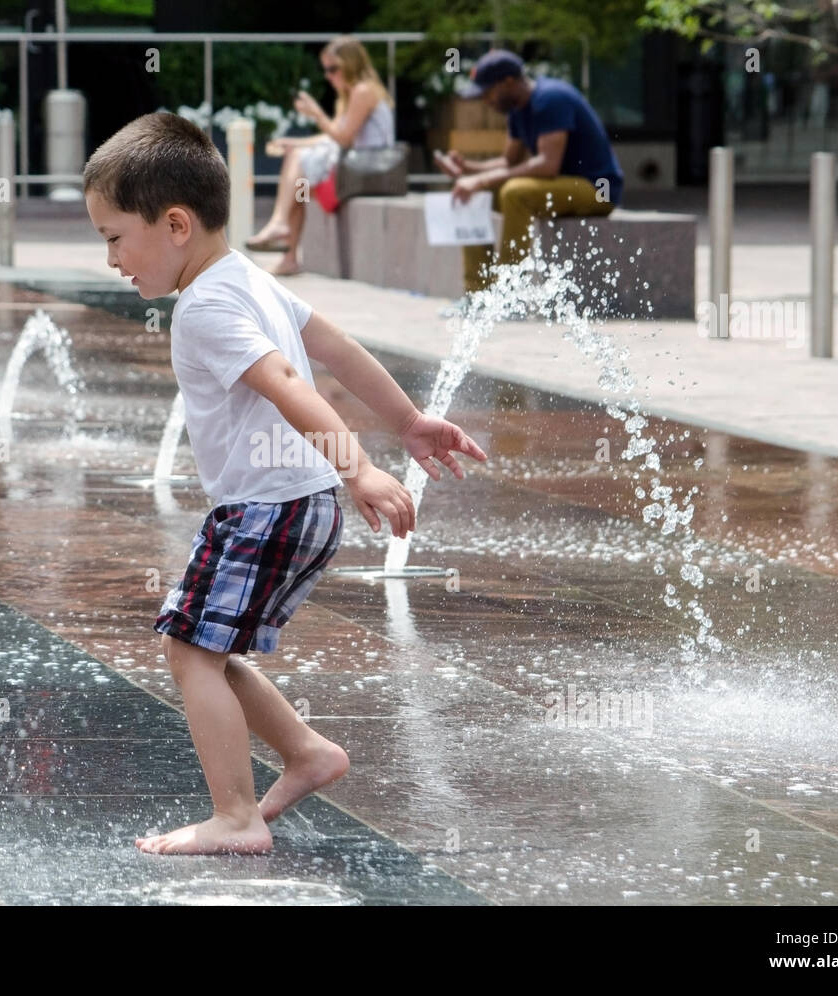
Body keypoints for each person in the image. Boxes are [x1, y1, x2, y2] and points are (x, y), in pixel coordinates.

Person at [82, 112, 486, 855]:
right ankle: (305, 752)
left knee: (188, 648)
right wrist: (408, 420)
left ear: (175, 224)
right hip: (298, 504)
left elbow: (286, 380)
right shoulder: (246, 279)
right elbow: (336, 344)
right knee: (202, 641)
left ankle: (234, 817)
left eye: (114, 237)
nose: (111, 259)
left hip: (269, 507)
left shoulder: (205, 306)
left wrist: (360, 464)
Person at [436, 50, 624, 294]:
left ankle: (509, 293)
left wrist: (480, 180)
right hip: (561, 184)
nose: (485, 100)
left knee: (516, 193)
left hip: (598, 189)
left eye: (487, 92)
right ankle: (478, 295)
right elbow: (508, 162)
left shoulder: (550, 99)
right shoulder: (517, 110)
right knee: (468, 194)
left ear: (509, 82)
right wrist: (467, 169)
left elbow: (547, 165)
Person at [246, 35, 395, 277]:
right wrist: (292, 142)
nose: (329, 75)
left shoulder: (363, 91)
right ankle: (289, 255)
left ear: (351, 64)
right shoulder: (350, 95)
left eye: (333, 69)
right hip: (355, 167)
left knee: (297, 166)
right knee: (298, 183)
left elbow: (343, 137)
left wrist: (316, 115)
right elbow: (330, 137)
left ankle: (280, 226)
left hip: (367, 169)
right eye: (326, 69)